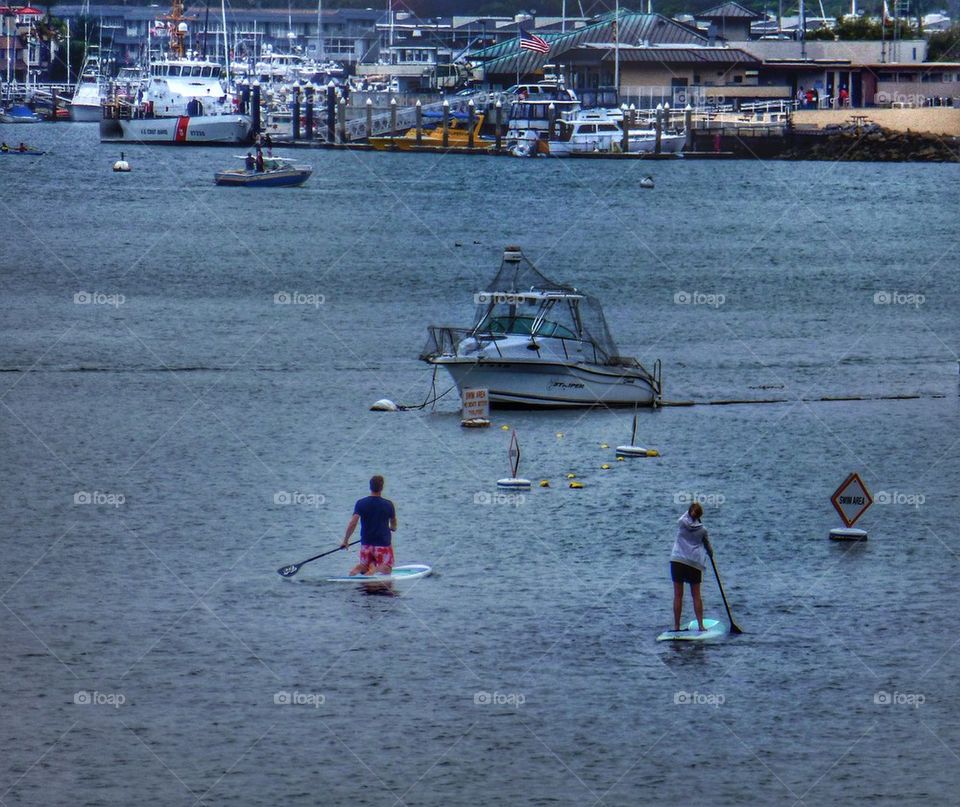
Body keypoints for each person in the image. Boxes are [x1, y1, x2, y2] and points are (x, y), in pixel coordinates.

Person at [342, 475, 397, 576]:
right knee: (387, 569)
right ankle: (375, 570)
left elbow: (353, 523)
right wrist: (393, 528)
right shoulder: (389, 504)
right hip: (382, 544)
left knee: (364, 566)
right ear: (382, 487)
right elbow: (393, 524)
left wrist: (345, 541)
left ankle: (354, 572)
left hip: (366, 543)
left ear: (370, 487)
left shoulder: (360, 503)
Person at [670, 502, 710, 632]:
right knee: (696, 595)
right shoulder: (703, 530)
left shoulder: (682, 522)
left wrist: (691, 509)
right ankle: (701, 626)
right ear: (700, 516)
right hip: (694, 564)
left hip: (677, 561)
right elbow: (709, 549)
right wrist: (710, 553)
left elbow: (685, 515)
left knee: (678, 595)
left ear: (688, 512)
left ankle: (676, 626)